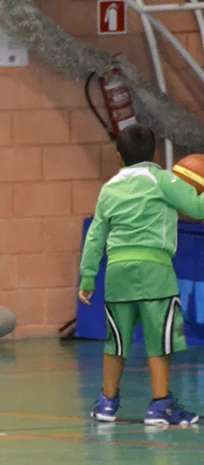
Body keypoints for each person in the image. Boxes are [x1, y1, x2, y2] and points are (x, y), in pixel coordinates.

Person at [80, 123, 203, 425]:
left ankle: (107, 405)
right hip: (154, 273)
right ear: (155, 154)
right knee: (158, 343)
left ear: (119, 157)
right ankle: (160, 406)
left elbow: (96, 236)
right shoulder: (162, 180)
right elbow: (198, 209)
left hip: (117, 274)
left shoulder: (109, 188)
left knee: (116, 342)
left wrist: (87, 278)